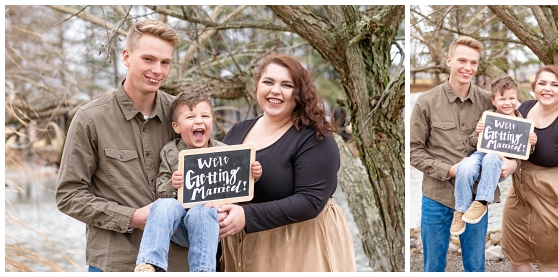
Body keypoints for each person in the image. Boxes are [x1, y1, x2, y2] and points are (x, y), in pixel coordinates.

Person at [55, 19, 188, 272]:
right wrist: (131, 218)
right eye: (148, 59)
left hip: (180, 262)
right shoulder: (90, 118)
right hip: (117, 263)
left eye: (165, 62)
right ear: (127, 57)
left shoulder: (182, 116)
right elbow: (68, 195)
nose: (157, 70)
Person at [208, 54, 357, 271]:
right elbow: (218, 183)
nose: (275, 90)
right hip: (243, 249)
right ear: (257, 86)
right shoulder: (237, 131)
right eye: (268, 82)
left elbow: (310, 201)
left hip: (301, 248)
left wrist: (246, 216)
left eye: (286, 85)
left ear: (299, 93)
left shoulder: (315, 137)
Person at [411, 35, 514, 272]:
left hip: (477, 197)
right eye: (462, 61)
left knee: (476, 267)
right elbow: (414, 151)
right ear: (449, 60)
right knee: (433, 267)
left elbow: (513, 133)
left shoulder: (489, 102)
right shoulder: (426, 102)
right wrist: (449, 170)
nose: (468, 68)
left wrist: (512, 164)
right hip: (436, 196)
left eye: (473, 63)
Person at [133, 90, 262, 272]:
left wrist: (253, 175)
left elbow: (237, 186)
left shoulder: (224, 151)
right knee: (164, 205)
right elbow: (160, 190)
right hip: (177, 225)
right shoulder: (170, 152)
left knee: (201, 211)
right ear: (176, 127)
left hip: (207, 223)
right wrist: (173, 184)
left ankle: (203, 270)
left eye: (205, 116)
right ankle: (149, 263)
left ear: (212, 121)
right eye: (191, 117)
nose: (199, 121)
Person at [502, 65, 558, 272]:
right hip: (519, 196)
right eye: (542, 83)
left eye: (554, 84)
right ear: (534, 87)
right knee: (516, 255)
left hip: (552, 199)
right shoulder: (524, 109)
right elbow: (508, 145)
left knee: (549, 260)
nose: (547, 89)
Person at [451, 76, 536, 235]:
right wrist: (478, 133)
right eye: (502, 99)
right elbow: (473, 143)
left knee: (491, 157)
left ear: (516, 98)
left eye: (511, 98)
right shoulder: (488, 116)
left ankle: (481, 201)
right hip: (481, 153)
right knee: (466, 166)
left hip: (499, 161)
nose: (507, 102)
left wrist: (532, 142)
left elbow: (526, 153)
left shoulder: (521, 121)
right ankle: (460, 210)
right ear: (494, 101)